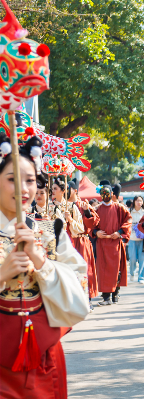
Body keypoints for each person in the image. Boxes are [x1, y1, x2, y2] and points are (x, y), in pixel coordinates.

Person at [0, 135, 88, 398]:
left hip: (44, 359)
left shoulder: (52, 232)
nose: (24, 189)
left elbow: (79, 299)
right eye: (12, 179)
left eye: (29, 180)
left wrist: (40, 261)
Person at [92, 182, 132, 306]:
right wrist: (96, 232)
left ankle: (115, 293)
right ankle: (106, 297)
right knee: (103, 270)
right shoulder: (96, 209)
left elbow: (128, 219)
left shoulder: (119, 207)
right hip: (102, 244)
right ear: (100, 195)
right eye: (103, 193)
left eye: (107, 193)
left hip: (115, 242)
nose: (105, 196)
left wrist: (120, 233)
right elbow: (89, 225)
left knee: (116, 269)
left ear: (112, 194)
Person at [69, 179, 101, 310]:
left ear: (75, 191)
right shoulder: (62, 206)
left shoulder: (83, 204)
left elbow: (94, 223)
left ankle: (87, 299)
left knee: (85, 271)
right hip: (69, 242)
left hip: (81, 241)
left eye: (68, 189)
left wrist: (87, 211)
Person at [128, 196, 144, 284]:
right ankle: (132, 273)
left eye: (141, 201)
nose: (139, 202)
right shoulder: (129, 212)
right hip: (132, 239)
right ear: (134, 202)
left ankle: (141, 277)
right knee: (132, 259)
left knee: (142, 259)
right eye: (137, 200)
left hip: (142, 239)